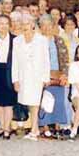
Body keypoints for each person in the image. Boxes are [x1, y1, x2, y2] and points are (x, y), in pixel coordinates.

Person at [11, 13, 50, 141]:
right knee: (28, 102)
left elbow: (46, 60)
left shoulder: (42, 40)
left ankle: (34, 129)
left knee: (35, 102)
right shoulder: (17, 41)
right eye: (23, 24)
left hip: (37, 76)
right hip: (23, 76)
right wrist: (15, 79)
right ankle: (35, 128)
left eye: (27, 24)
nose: (25, 26)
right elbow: (15, 61)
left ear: (33, 25)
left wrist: (46, 77)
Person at [38, 15, 71, 138]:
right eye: (44, 25)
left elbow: (65, 59)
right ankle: (45, 127)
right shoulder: (37, 41)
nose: (47, 28)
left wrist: (65, 75)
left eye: (49, 25)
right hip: (43, 76)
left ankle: (57, 126)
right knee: (45, 101)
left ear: (53, 26)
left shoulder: (59, 40)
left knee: (58, 101)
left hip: (58, 74)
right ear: (40, 27)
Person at [0, 15, 17, 139]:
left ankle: (7, 129)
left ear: (10, 25)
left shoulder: (15, 40)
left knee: (8, 103)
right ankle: (2, 126)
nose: (4, 26)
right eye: (1, 23)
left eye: (6, 23)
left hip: (10, 72)